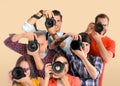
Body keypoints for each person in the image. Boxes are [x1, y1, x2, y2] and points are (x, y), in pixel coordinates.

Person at [85, 13, 116, 86]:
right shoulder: (87, 36)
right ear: (95, 24)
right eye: (99, 24)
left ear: (107, 26)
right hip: (81, 79)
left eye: (104, 25)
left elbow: (107, 59)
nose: (102, 27)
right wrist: (86, 31)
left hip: (97, 81)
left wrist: (98, 40)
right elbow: (75, 48)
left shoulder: (110, 42)